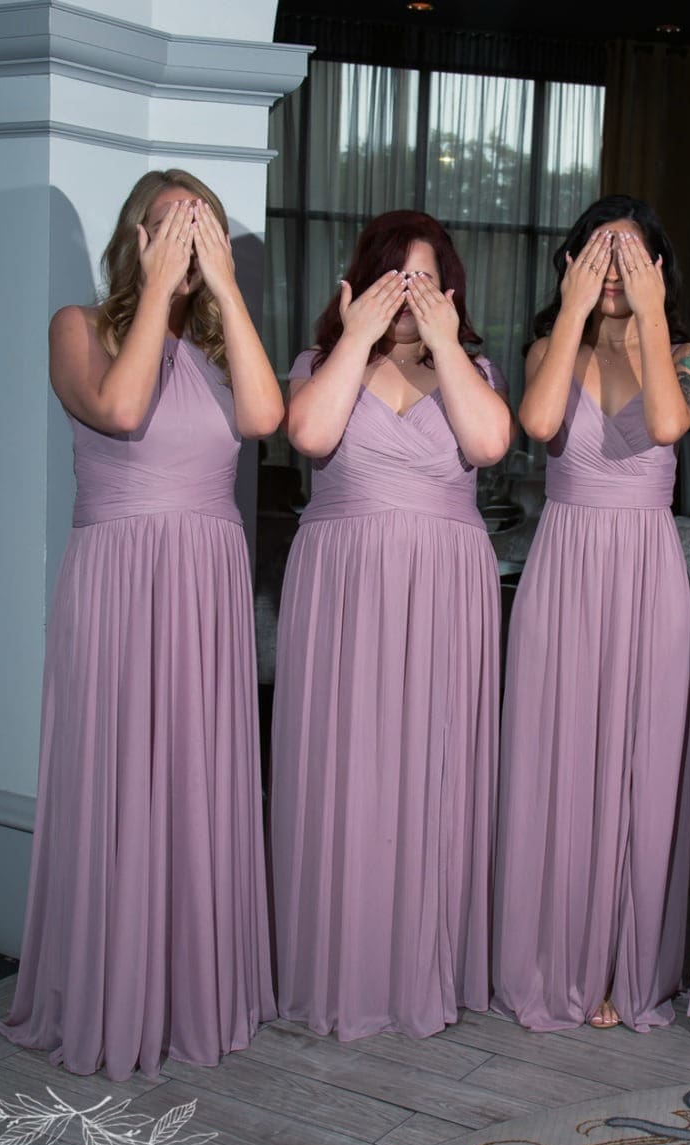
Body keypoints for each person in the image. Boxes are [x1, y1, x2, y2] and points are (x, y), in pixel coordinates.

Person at [0, 169, 280, 1080]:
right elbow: (120, 409)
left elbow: (266, 416)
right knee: (119, 773)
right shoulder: (77, 328)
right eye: (170, 227)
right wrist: (158, 287)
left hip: (206, 579)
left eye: (204, 229)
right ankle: (111, 991)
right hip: (121, 579)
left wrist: (223, 285)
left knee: (198, 773)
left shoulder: (218, 344)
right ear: (134, 237)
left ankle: (192, 988)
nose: (188, 243)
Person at [272, 209, 509, 1041]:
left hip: (447, 583)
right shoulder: (319, 364)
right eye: (392, 279)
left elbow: (490, 445)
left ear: (449, 290)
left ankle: (421, 961)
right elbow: (308, 434)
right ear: (363, 282)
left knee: (434, 765)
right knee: (348, 762)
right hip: (346, 583)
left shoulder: (474, 369)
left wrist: (445, 344)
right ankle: (344, 960)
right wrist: (355, 338)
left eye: (424, 280)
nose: (407, 296)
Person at [492, 195, 690, 1032]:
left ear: (657, 269)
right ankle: (555, 956)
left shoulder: (684, 354)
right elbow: (539, 422)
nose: (612, 273)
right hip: (566, 561)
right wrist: (576, 311)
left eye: (629, 257)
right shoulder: (550, 348)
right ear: (571, 263)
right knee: (559, 751)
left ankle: (622, 963)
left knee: (636, 763)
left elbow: (668, 422)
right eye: (597, 255)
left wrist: (649, 316)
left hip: (647, 566)